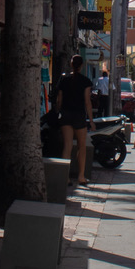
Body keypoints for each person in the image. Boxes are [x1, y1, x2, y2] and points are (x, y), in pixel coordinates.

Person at [55, 55, 95, 186]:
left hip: (66, 114)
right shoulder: (86, 81)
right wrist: (91, 120)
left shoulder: (64, 79)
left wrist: (58, 111)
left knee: (67, 146)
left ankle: (65, 177)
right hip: (79, 115)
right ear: (82, 65)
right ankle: (81, 176)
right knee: (81, 146)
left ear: (71, 65)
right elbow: (87, 102)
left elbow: (59, 100)